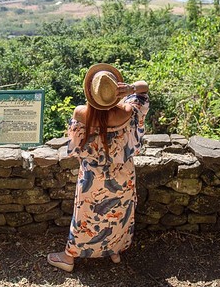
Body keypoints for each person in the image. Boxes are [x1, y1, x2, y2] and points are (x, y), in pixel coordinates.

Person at [47, 63, 149, 272]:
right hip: (124, 176)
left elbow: (75, 149)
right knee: (119, 214)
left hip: (92, 177)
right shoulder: (129, 111)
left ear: (91, 93)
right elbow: (144, 88)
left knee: (85, 217)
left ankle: (68, 257)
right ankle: (114, 251)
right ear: (116, 90)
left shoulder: (82, 113)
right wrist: (129, 89)